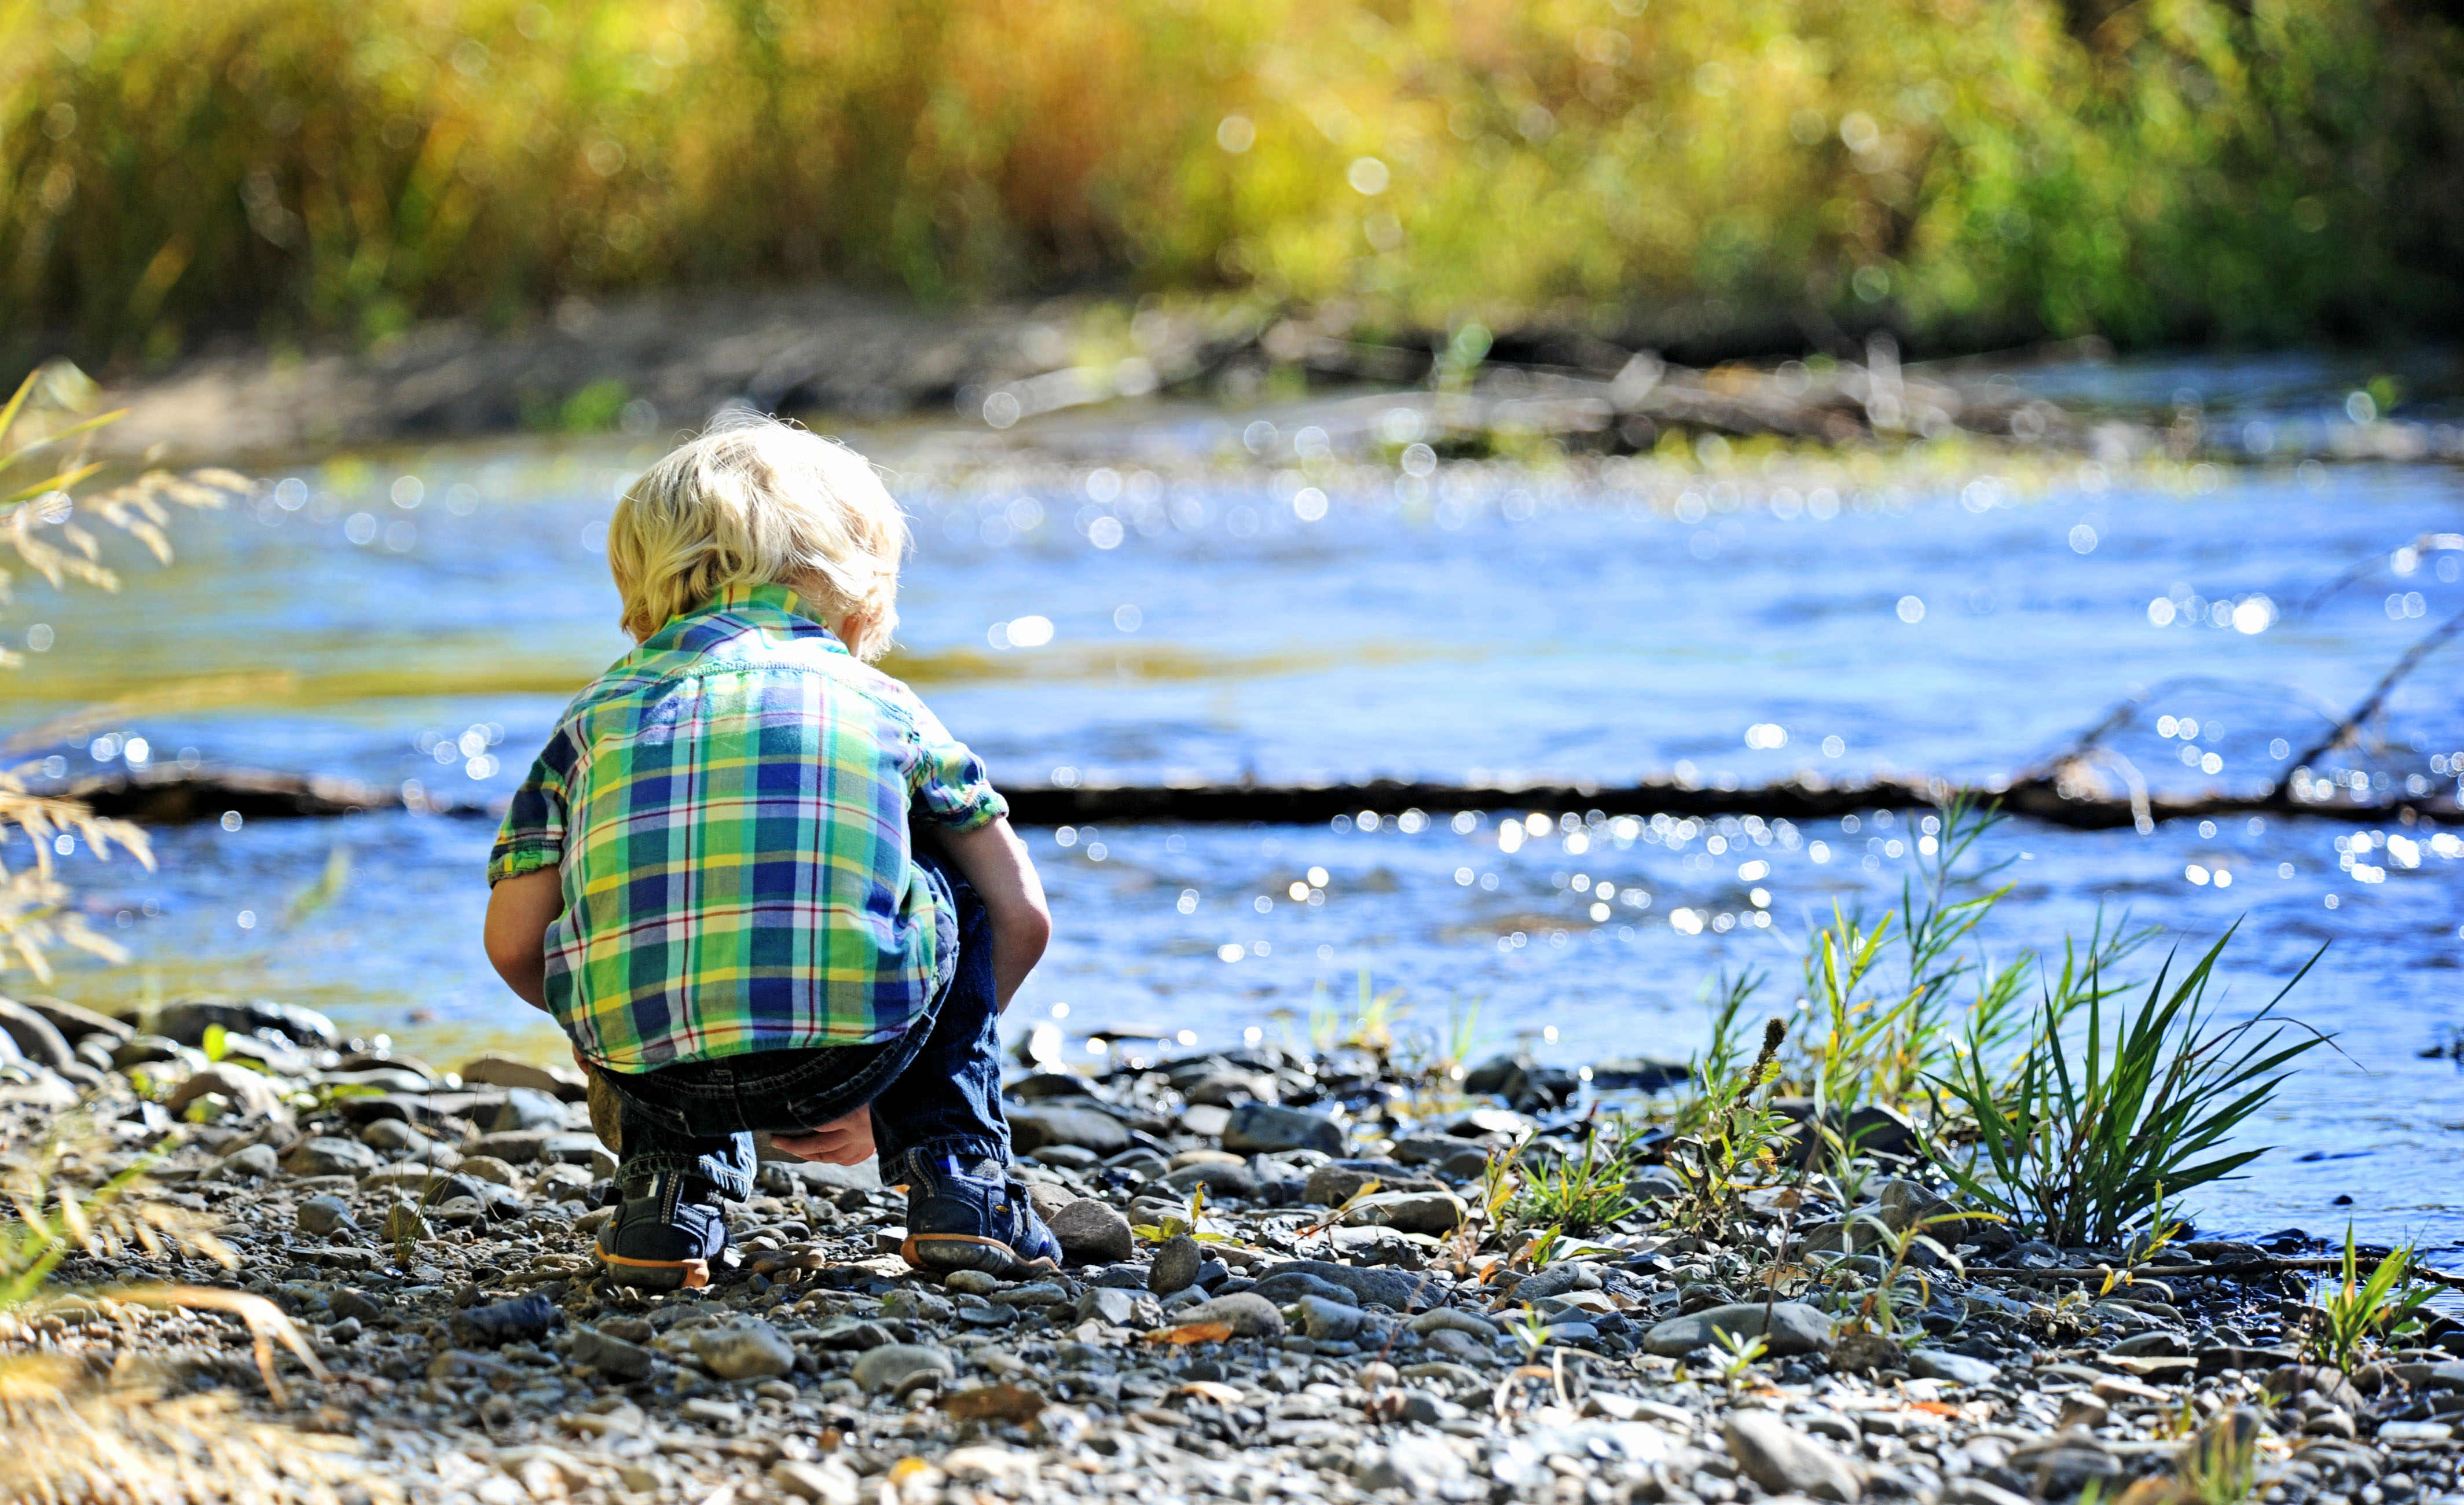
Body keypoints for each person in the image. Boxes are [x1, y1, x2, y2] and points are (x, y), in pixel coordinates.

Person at [481, 413, 1059, 1290]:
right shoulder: (883, 701)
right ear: (862, 590)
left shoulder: (592, 717)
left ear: (639, 590)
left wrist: (609, 1042)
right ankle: (959, 1182)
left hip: (653, 1067)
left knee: (643, 904)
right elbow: (1023, 914)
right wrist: (902, 1081)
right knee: (954, 878)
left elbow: (514, 944)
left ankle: (664, 1206)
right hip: (859, 1044)